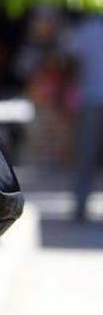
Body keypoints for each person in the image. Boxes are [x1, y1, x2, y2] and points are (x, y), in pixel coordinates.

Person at [63, 13, 103, 222]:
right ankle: (80, 206)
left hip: (90, 99)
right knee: (86, 155)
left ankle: (80, 206)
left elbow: (69, 60)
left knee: (86, 155)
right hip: (90, 98)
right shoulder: (87, 28)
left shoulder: (85, 29)